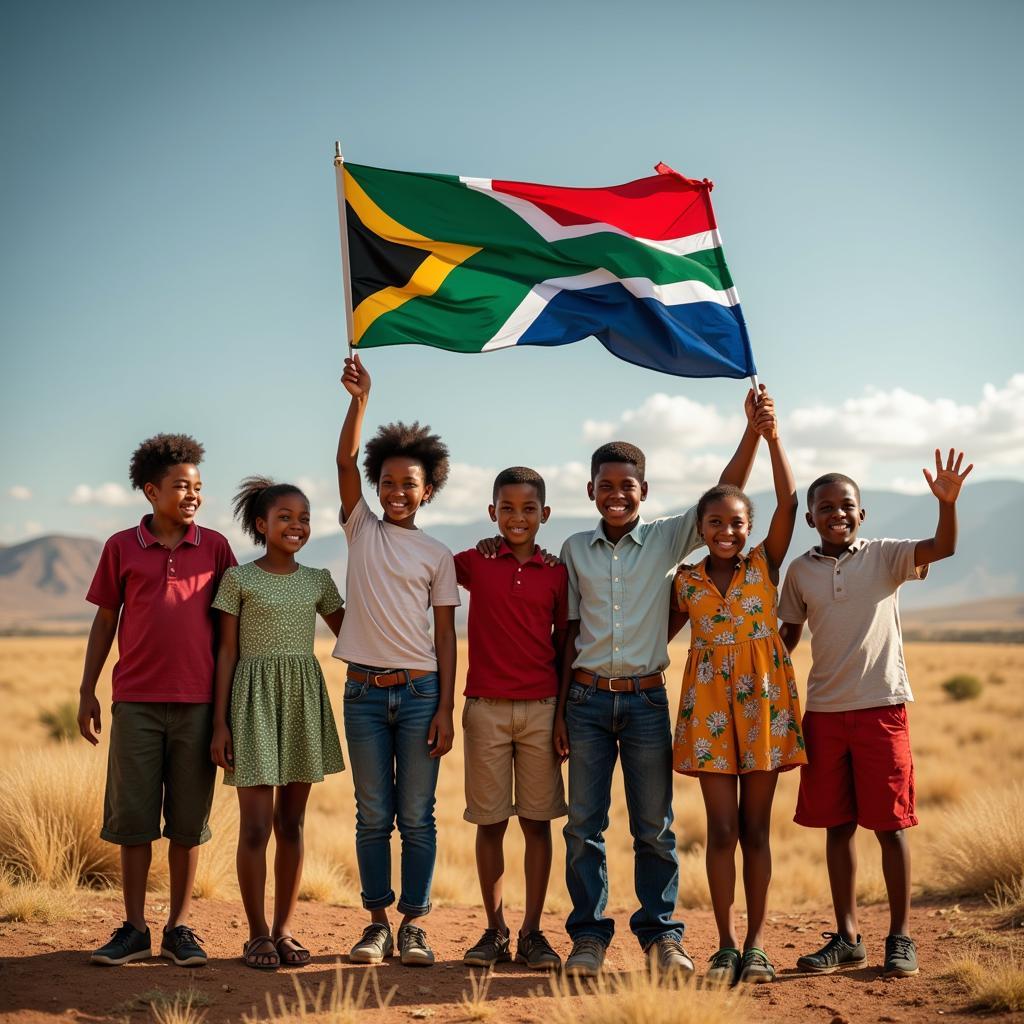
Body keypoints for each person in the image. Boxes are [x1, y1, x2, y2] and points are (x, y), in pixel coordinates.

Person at [553, 387, 772, 978]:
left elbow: (723, 494)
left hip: (647, 701)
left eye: (628, 486)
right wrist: (557, 716)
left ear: (643, 492)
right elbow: (568, 636)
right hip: (587, 701)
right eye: (606, 485)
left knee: (655, 828)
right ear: (591, 491)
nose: (617, 494)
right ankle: (589, 938)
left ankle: (662, 938)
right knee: (583, 828)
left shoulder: (669, 538)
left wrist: (752, 431)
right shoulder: (575, 550)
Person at [779, 449, 973, 979]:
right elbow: (788, 637)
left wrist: (947, 505)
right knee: (836, 827)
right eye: (825, 507)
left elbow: (944, 546)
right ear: (810, 517)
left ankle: (900, 937)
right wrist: (758, 682)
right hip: (823, 712)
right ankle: (846, 938)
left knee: (890, 826)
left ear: (861, 515)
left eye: (846, 506)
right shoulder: (799, 572)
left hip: (881, 709)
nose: (836, 514)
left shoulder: (886, 557)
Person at [78, 434, 236, 967]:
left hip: (198, 704)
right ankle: (134, 928)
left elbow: (230, 631)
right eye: (181, 486)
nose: (192, 495)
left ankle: (179, 928)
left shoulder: (215, 547)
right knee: (134, 821)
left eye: (198, 487)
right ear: (151, 491)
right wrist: (87, 690)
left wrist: (226, 714)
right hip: (136, 703)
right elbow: (105, 622)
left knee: (188, 825)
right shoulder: (121, 547)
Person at [670, 407, 804, 986]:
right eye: (716, 523)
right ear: (701, 528)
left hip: (764, 712)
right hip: (708, 713)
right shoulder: (685, 582)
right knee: (721, 830)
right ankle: (724, 943)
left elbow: (790, 504)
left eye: (737, 523)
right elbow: (655, 640)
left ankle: (756, 946)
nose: (728, 532)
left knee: (757, 831)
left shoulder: (764, 564)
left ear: (750, 528)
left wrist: (770, 438)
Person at [334, 353, 460, 968]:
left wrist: (446, 709)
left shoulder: (439, 555)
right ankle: (377, 922)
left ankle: (414, 925)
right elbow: (341, 464)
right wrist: (360, 401)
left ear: (427, 490)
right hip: (361, 695)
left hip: (418, 698)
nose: (397, 492)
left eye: (409, 484)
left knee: (416, 816)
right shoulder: (360, 528)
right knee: (371, 814)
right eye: (387, 482)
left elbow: (446, 637)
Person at [210, 477, 346, 970]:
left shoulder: (318, 580)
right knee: (255, 828)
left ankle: (285, 930)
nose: (296, 525)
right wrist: (219, 724)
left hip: (301, 704)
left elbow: (352, 635)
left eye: (304, 518)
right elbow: (225, 652)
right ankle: (256, 934)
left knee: (292, 823)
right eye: (285, 517)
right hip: (252, 705)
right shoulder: (239, 580)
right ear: (261, 525)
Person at [457, 467, 569, 971]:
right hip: (484, 709)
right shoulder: (474, 563)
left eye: (528, 509)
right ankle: (495, 930)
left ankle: (532, 934)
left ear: (544, 515)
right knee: (490, 822)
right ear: (492, 513)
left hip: (543, 708)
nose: (517, 518)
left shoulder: (556, 571)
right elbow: (426, 570)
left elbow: (566, 647)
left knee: (538, 822)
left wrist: (563, 713)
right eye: (507, 509)